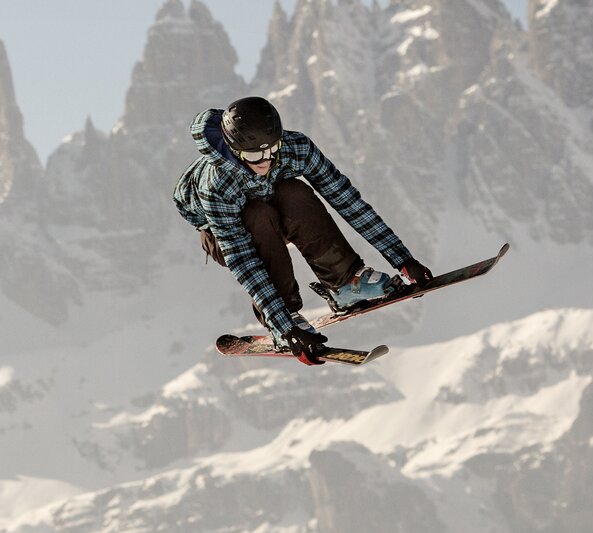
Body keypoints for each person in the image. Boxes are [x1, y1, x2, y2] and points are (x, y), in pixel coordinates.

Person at [174, 97, 432, 365]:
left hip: (275, 207)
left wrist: (403, 259)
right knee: (257, 214)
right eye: (254, 156)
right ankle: (285, 311)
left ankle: (344, 283)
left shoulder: (296, 148)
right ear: (234, 150)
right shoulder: (216, 184)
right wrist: (284, 324)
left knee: (294, 192)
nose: (266, 161)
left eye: (272, 150)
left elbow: (348, 201)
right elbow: (243, 260)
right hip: (223, 236)